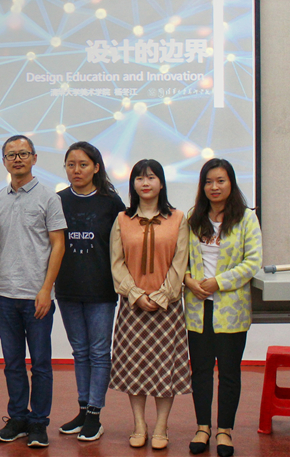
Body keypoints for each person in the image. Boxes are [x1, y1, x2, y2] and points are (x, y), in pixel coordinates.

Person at [0, 135, 66, 448]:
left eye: (23, 153)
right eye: (11, 155)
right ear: (4, 161)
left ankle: (39, 423)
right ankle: (18, 418)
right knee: (13, 363)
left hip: (37, 296)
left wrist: (47, 289)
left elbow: (58, 245)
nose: (17, 159)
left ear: (34, 158)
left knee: (41, 365)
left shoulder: (49, 198)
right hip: (4, 295)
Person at [108, 159, 190, 450]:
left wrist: (162, 296)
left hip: (167, 307)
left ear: (161, 183)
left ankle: (161, 426)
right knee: (136, 368)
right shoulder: (122, 219)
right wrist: (135, 294)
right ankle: (139, 424)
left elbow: (180, 261)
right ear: (133, 185)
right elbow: (116, 263)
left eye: (151, 177)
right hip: (133, 306)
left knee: (165, 369)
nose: (145, 183)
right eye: (140, 178)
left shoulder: (178, 218)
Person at [184, 159, 262, 457]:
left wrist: (218, 282)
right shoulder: (193, 217)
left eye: (220, 181)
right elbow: (181, 258)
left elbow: (252, 262)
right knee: (201, 370)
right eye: (208, 182)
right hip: (198, 306)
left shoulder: (246, 218)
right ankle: (203, 427)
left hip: (231, 308)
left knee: (229, 372)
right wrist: (189, 281)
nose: (214, 187)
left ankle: (224, 431)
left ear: (231, 183)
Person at [54, 142, 125, 441]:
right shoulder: (57, 200)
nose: (76, 170)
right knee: (79, 351)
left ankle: (95, 413)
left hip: (101, 290)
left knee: (98, 352)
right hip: (67, 288)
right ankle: (83, 410)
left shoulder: (111, 202)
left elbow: (123, 244)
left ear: (96, 167)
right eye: (71, 165)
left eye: (83, 164)